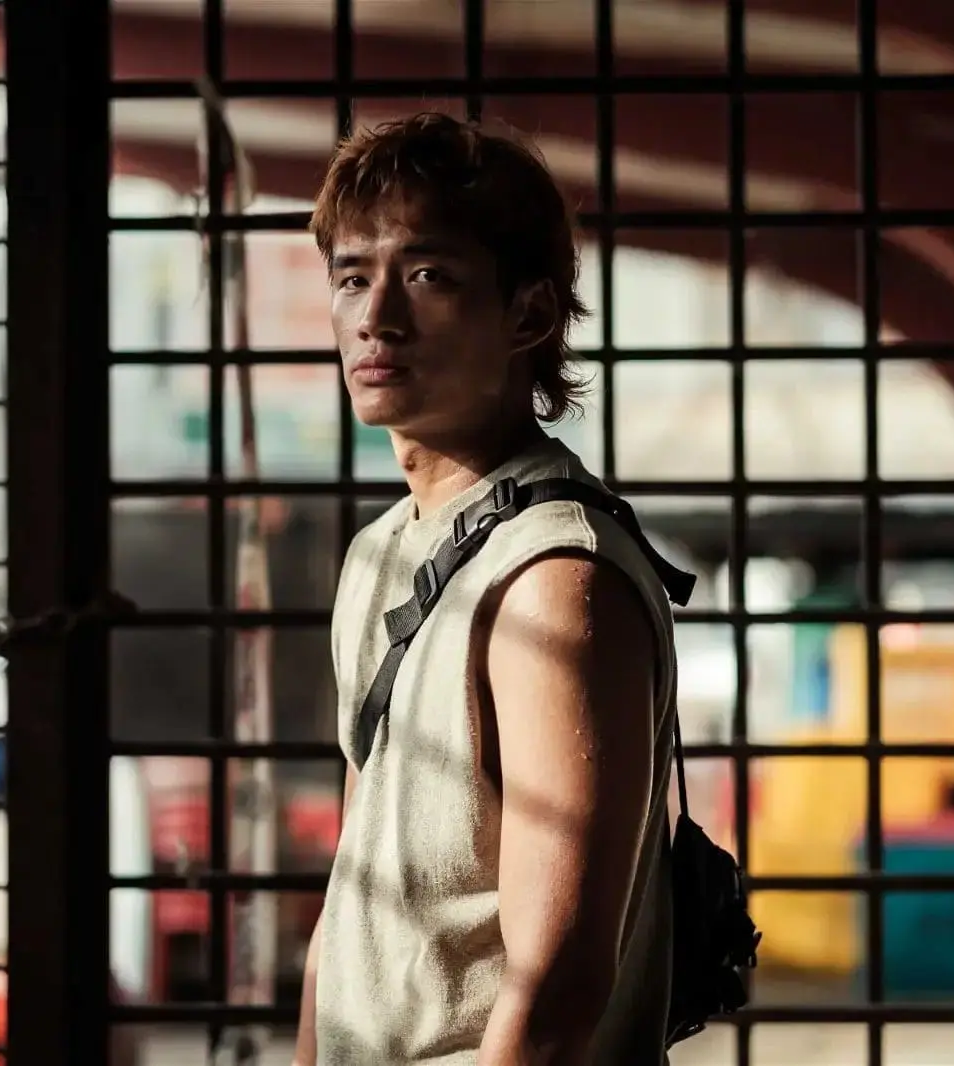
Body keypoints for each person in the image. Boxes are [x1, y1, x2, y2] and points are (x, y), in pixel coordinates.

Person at [293, 112, 680, 1066]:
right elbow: (355, 889)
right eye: (352, 277)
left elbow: (555, 993)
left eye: (428, 275)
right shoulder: (382, 553)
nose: (377, 317)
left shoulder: (554, 579)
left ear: (529, 315)